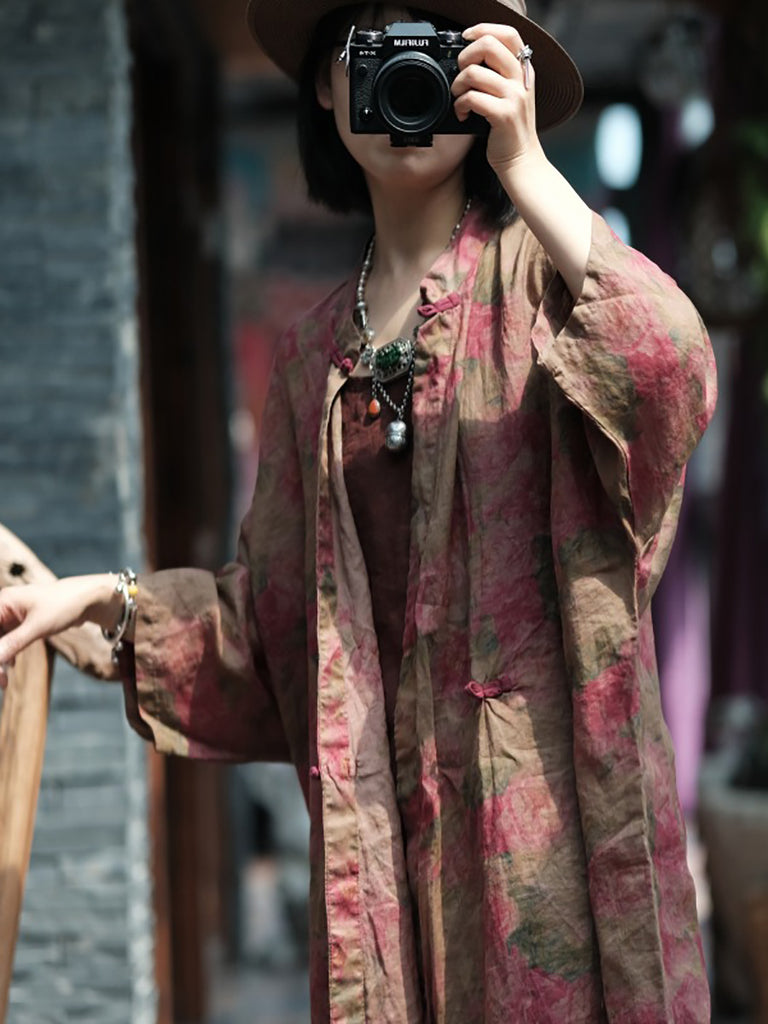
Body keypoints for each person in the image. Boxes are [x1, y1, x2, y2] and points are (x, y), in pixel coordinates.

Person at [0, 0, 717, 1020]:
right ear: (328, 83)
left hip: (557, 867)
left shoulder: (546, 286)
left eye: (435, 41)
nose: (403, 76)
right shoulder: (312, 361)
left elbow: (669, 368)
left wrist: (527, 164)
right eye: (372, 44)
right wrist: (98, 603)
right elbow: (273, 633)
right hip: (382, 879)